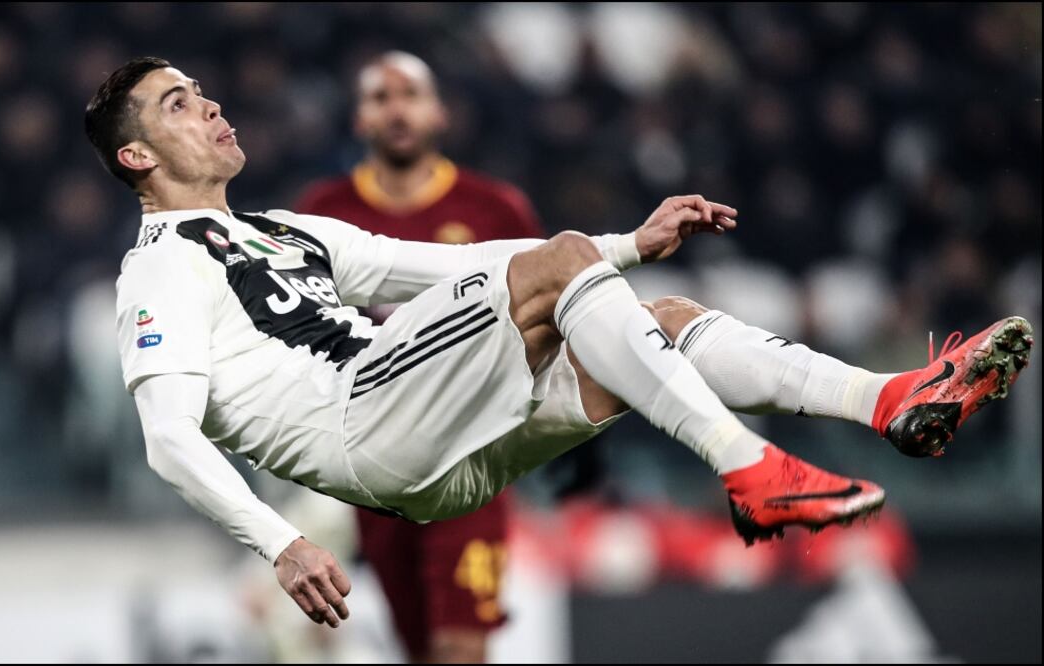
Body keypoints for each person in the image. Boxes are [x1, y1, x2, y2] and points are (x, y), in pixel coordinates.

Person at [86, 57, 1033, 630]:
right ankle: (750, 468)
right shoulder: (158, 268)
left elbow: (432, 267)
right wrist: (282, 543)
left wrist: (630, 244)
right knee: (565, 266)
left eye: (201, 93)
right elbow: (168, 437)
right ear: (136, 158)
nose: (208, 108)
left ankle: (885, 400)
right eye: (176, 105)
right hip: (358, 422)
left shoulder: (288, 227)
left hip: (443, 462)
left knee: (653, 324)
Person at [293, 52, 541, 662]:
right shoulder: (322, 214)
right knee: (419, 648)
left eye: (410, 94)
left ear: (440, 114)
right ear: (360, 119)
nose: (396, 108)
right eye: (380, 97)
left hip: (470, 464)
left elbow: (543, 318)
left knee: (461, 646)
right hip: (376, 476)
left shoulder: (495, 210)